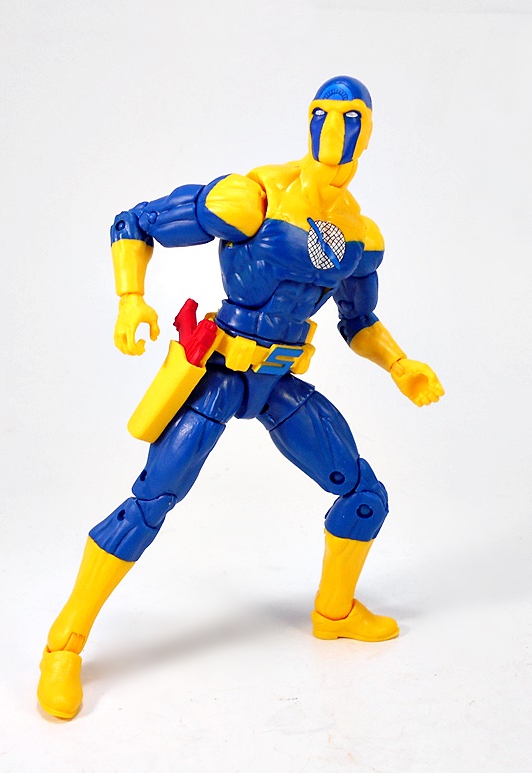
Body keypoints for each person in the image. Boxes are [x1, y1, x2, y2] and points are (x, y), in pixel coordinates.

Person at [37, 76, 444, 719]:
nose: (337, 131)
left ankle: (335, 612)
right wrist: (130, 298)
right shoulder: (250, 198)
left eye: (352, 119)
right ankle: (64, 645)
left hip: (278, 383)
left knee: (363, 496)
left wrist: (399, 365)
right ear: (310, 120)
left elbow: (358, 321)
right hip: (221, 373)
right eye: (326, 115)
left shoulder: (362, 237)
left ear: (368, 133)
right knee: (150, 502)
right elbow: (134, 222)